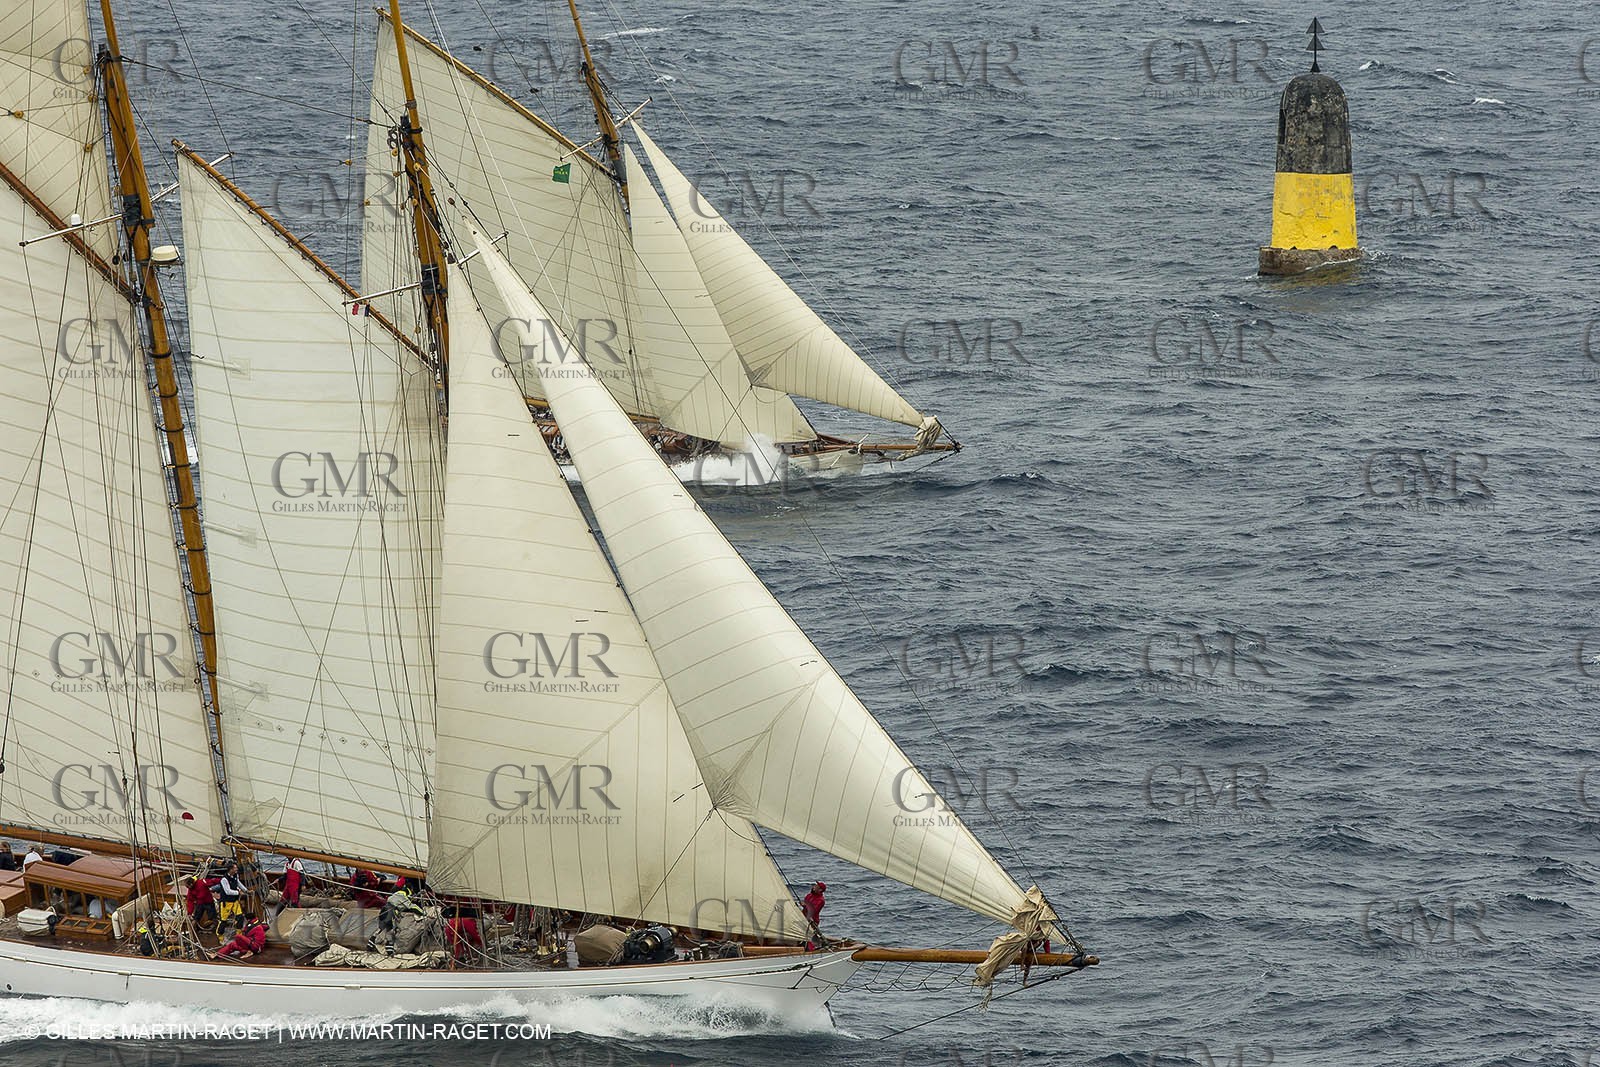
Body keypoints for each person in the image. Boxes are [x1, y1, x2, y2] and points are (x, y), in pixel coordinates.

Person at [215, 864, 245, 932]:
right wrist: (238, 892)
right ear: (231, 869)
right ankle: (220, 937)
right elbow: (227, 891)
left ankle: (239, 935)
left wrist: (246, 890)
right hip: (226, 902)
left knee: (240, 917)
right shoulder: (224, 879)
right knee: (223, 921)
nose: (237, 869)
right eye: (235, 868)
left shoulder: (235, 875)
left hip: (234, 901)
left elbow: (238, 883)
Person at [802, 881, 826, 947]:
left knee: (810, 935)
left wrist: (805, 906)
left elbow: (813, 910)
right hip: (803, 917)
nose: (814, 887)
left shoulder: (821, 900)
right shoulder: (809, 895)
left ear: (820, 890)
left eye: (816, 886)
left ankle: (811, 950)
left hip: (813, 920)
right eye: (814, 886)